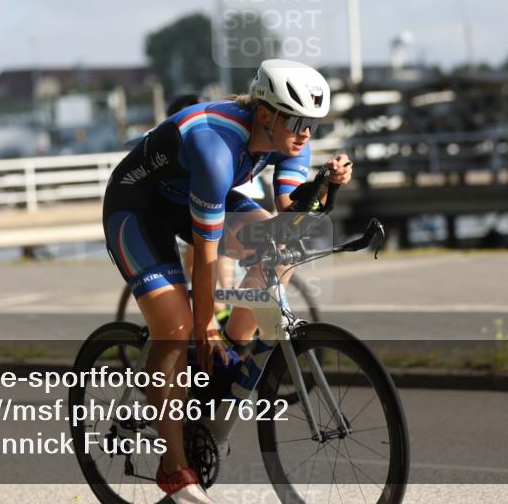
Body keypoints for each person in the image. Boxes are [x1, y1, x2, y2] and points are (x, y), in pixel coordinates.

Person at [102, 59, 352, 503]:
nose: (306, 133)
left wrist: (325, 188)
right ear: (264, 115)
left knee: (281, 248)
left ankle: (230, 363)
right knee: (177, 330)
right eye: (297, 121)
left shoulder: (292, 140)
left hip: (192, 196)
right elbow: (206, 255)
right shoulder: (214, 147)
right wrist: (205, 326)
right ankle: (174, 469)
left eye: (313, 124)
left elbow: (290, 215)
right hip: (137, 207)